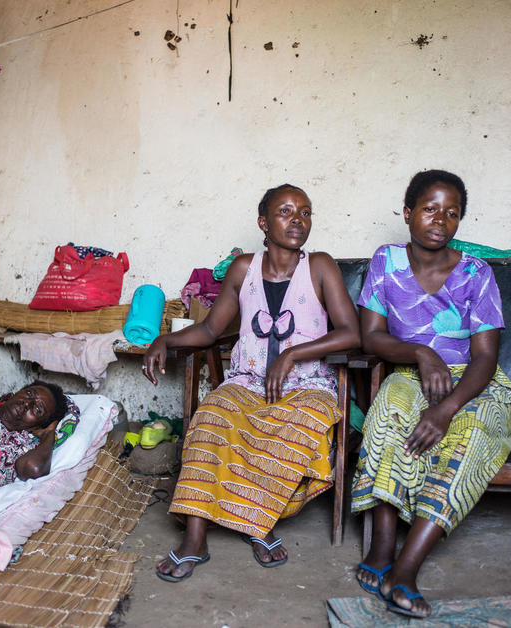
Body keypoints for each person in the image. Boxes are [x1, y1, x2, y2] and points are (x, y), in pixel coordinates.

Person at [142, 184, 360, 582]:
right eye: (286, 211)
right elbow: (210, 329)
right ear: (263, 222)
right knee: (210, 418)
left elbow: (351, 333)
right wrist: (165, 340)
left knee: (287, 427)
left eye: (306, 212)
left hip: (307, 383)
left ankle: (257, 521)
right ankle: (195, 537)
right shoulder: (244, 269)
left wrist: (293, 354)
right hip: (248, 379)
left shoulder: (321, 266)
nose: (298, 220)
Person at [351, 170, 511, 618]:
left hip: (472, 385)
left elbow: (485, 357)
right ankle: (382, 548)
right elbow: (371, 337)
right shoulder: (386, 261)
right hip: (410, 370)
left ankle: (406, 568)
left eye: (452, 212)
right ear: (407, 214)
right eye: (429, 209)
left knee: (474, 437)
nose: (440, 219)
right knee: (388, 411)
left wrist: (447, 408)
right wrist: (422, 353)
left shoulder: (475, 273)